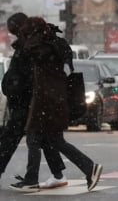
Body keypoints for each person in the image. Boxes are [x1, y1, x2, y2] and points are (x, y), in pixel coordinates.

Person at [9, 17, 102, 192]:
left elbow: (26, 52)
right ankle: (89, 168)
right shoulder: (56, 44)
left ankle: (31, 180)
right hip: (55, 101)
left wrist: (24, 40)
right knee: (54, 140)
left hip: (45, 103)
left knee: (34, 139)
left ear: (33, 32)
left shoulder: (39, 47)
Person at [0, 13, 68, 190]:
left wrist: (14, 88)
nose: (13, 33)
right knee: (45, 139)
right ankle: (58, 173)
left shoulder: (30, 47)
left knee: (15, 139)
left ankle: (35, 178)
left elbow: (25, 76)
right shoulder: (30, 44)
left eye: (13, 29)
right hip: (29, 101)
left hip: (27, 102)